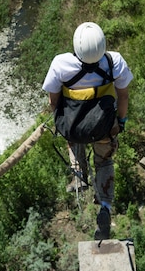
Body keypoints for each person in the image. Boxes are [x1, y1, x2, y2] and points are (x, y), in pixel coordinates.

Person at [42, 21, 133, 240]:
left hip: (74, 125)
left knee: (74, 142)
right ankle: (104, 205)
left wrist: (63, 124)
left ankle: (79, 177)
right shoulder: (115, 62)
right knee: (104, 162)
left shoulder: (60, 64)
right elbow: (123, 96)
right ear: (103, 44)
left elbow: (53, 101)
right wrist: (120, 123)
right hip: (104, 126)